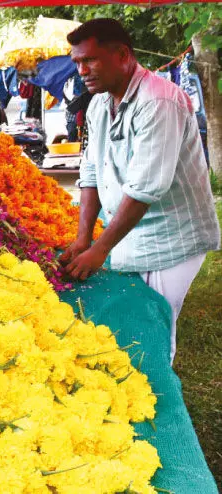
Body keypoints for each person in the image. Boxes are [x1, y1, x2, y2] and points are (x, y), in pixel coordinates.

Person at [59, 19, 220, 364]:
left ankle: (156, 391)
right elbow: (91, 172)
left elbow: (146, 189)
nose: (82, 71)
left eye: (90, 60)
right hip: (131, 233)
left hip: (171, 237)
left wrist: (100, 249)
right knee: (131, 320)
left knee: (153, 329)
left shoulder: (159, 101)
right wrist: (83, 239)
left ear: (122, 55)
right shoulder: (99, 104)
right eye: (77, 62)